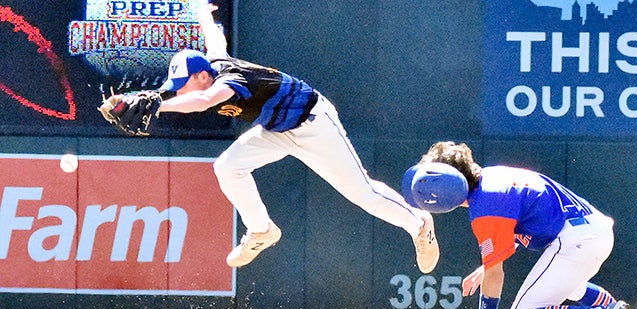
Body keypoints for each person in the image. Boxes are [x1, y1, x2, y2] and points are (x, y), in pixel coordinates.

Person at [156, 4, 439, 272]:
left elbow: (205, 99)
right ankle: (260, 230)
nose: (179, 92)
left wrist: (159, 104)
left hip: (313, 125)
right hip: (276, 130)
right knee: (227, 166)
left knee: (362, 193)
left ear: (204, 76)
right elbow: (216, 43)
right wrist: (205, 18)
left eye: (182, 85)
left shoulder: (229, 81)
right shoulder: (213, 64)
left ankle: (419, 224)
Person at [402, 141, 637, 309]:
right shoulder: (493, 178)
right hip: (593, 231)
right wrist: (485, 267)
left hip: (575, 239)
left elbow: (495, 274)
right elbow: (517, 223)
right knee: (573, 289)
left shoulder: (485, 206)